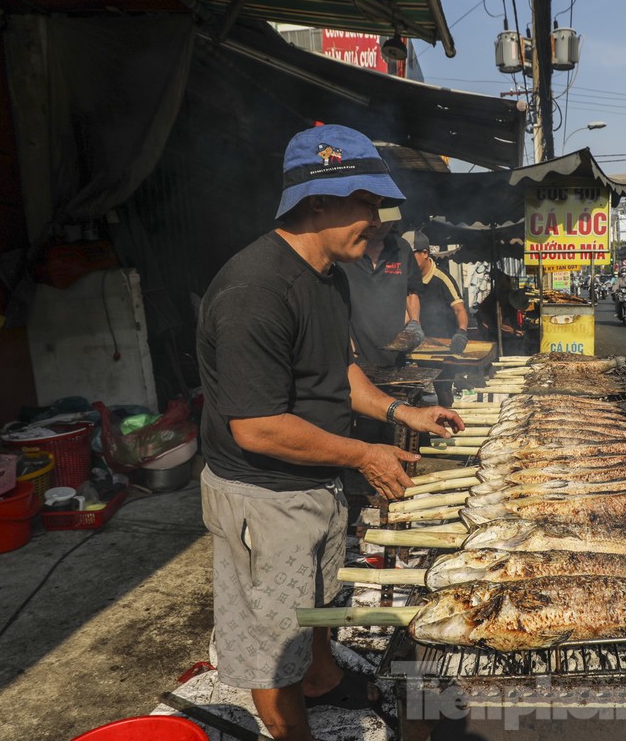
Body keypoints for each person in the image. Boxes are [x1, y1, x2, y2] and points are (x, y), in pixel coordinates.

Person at [196, 124, 465, 741]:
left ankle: (320, 679)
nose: (377, 217)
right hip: (265, 496)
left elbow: (337, 371)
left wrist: (400, 415)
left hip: (317, 482)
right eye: (366, 203)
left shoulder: (328, 276)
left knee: (317, 603)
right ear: (317, 201)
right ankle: (293, 727)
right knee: (273, 638)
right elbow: (258, 427)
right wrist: (364, 453)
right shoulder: (254, 291)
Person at [340, 216, 423, 368]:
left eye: (388, 221)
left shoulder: (402, 249)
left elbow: (411, 292)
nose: (381, 226)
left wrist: (414, 323)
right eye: (377, 220)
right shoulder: (345, 249)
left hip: (395, 356)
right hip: (354, 355)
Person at [411, 230, 469, 407]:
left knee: (443, 390)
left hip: (443, 346)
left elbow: (460, 309)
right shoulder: (408, 278)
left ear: (425, 253)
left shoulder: (442, 278)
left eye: (411, 255)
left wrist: (461, 332)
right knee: (413, 392)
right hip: (418, 344)